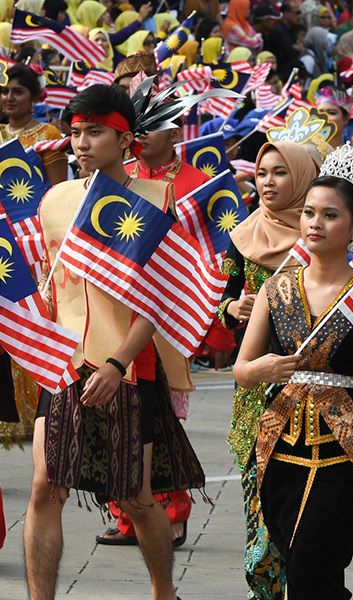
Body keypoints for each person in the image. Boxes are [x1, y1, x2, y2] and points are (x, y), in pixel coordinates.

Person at [28, 84, 203, 600]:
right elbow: (50, 283)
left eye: (94, 132)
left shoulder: (157, 199)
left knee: (137, 497)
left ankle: (163, 589)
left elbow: (161, 297)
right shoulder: (55, 200)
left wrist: (116, 361)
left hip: (129, 365)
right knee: (44, 485)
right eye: (75, 132)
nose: (81, 143)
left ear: (126, 140)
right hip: (63, 363)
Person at [234, 144, 353, 600]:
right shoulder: (275, 288)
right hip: (279, 446)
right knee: (298, 568)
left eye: (330, 215)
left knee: (315, 565)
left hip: (349, 450)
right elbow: (241, 369)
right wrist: (264, 367)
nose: (315, 223)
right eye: (309, 212)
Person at [95, 117, 213, 549]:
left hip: (167, 315)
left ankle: (173, 513)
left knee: (161, 421)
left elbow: (205, 253)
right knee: (117, 422)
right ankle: (126, 514)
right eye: (136, 130)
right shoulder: (118, 179)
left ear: (175, 133)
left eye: (152, 129)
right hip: (117, 321)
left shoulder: (196, 183)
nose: (142, 138)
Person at [221, 141, 319, 599]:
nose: (267, 182)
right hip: (255, 390)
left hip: (314, 393)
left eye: (280, 173)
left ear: (302, 178)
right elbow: (224, 296)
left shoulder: (321, 232)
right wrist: (233, 306)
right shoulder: (243, 235)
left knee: (301, 516)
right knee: (256, 502)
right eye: (261, 173)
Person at [0, 63, 67, 185]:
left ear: (33, 97)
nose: (9, 97)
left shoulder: (49, 135)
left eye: (17, 92)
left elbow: (57, 190)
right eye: (5, 92)